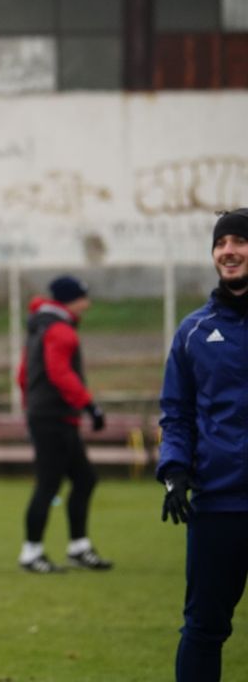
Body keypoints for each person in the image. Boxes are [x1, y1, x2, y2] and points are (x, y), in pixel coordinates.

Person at [158, 208, 248, 681]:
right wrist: (174, 468)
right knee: (204, 628)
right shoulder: (194, 332)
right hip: (218, 505)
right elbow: (177, 413)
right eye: (221, 242)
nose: (229, 251)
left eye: (239, 240)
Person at [16, 274, 112, 573]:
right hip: (54, 417)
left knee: (84, 479)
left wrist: (30, 408)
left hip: (49, 416)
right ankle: (31, 552)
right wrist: (90, 406)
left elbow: (22, 375)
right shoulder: (60, 330)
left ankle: (78, 547)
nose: (89, 302)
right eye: (85, 295)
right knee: (49, 484)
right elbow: (61, 374)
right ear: (73, 298)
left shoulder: (39, 326)